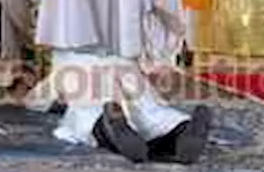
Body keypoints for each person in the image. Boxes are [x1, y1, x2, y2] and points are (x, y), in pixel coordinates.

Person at [24, 51, 211, 164]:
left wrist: (34, 97)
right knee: (152, 115)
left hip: (88, 84)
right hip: (126, 70)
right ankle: (181, 131)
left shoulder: (64, 62)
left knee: (86, 118)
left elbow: (36, 101)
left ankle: (111, 127)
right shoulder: (124, 51)